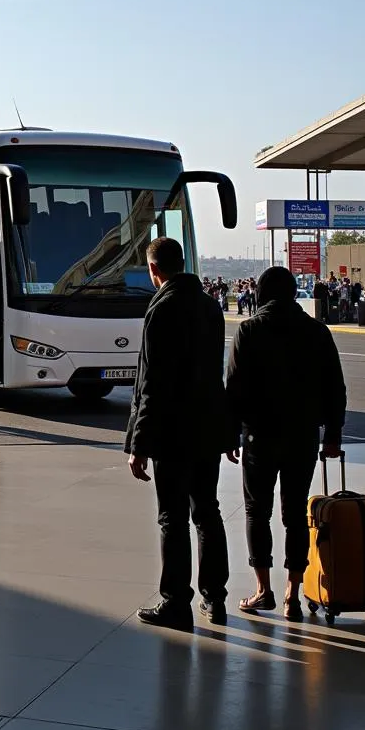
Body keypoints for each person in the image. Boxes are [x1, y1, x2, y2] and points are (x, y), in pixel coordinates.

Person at [125, 237, 235, 631]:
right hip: (207, 428)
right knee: (207, 511)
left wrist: (138, 443)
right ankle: (215, 598)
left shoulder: (162, 308)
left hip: (173, 432)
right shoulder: (209, 305)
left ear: (154, 270)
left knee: (172, 517)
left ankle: (175, 601)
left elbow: (152, 383)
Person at [226, 266, 346, 622]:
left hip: (258, 437)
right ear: (294, 294)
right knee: (295, 515)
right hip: (302, 436)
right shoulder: (316, 332)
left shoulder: (248, 331)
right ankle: (293, 593)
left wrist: (231, 432)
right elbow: (335, 389)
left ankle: (263, 590)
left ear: (260, 294)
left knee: (256, 512)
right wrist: (334, 436)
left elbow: (234, 389)